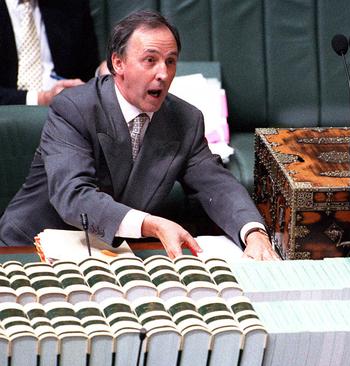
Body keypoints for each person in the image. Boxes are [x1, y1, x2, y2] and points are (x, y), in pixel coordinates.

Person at [0, 10, 279, 261]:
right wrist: (151, 224)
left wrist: (253, 232)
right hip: (29, 249)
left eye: (170, 61)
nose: (163, 73)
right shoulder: (74, 108)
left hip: (108, 256)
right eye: (150, 60)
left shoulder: (186, 120)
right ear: (118, 63)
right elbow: (74, 196)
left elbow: (217, 185)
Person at [0, 0, 100, 105]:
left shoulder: (72, 6)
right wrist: (41, 99)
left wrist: (101, 73)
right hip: (9, 112)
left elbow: (88, 73)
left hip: (66, 110)